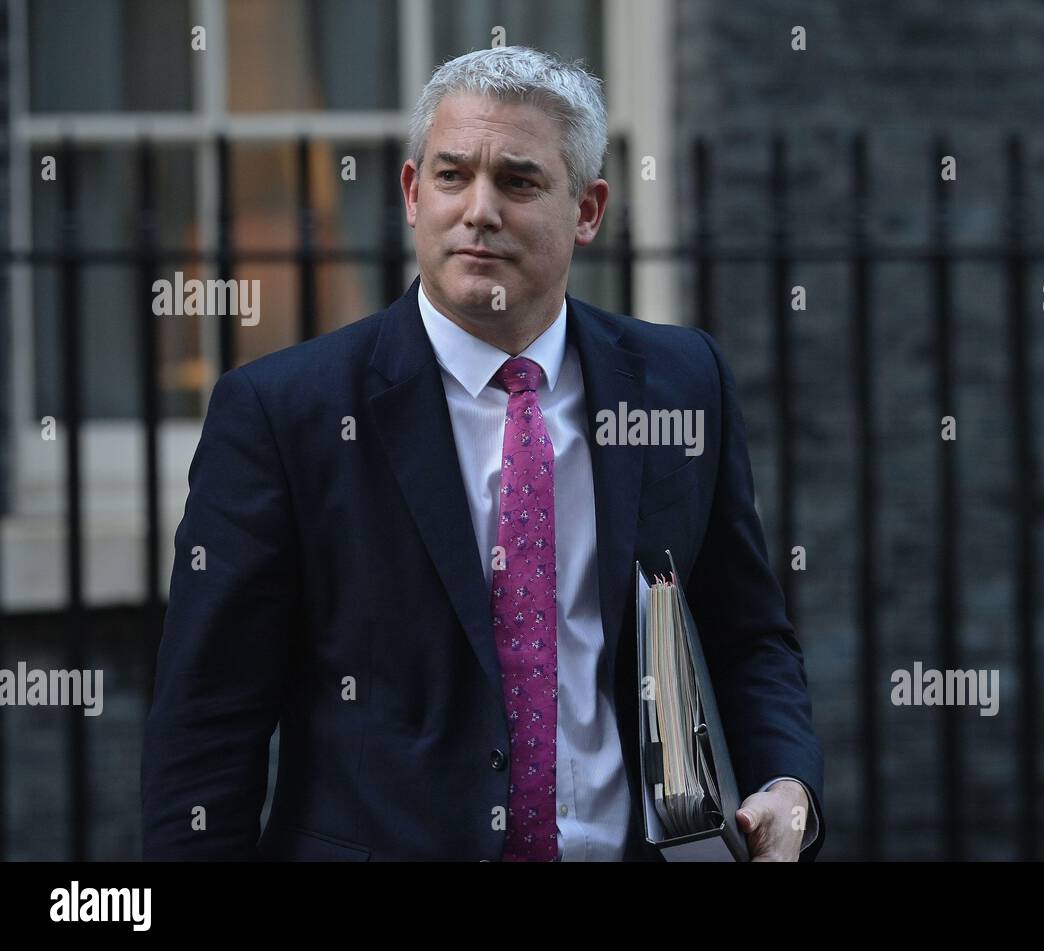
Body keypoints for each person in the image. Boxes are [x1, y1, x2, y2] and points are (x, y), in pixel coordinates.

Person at [141, 45, 824, 862]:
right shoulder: (284, 413)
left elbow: (747, 634)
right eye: (452, 175)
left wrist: (790, 785)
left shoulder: (682, 383)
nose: (478, 210)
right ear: (409, 192)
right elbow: (206, 722)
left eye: (520, 181)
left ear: (589, 209)